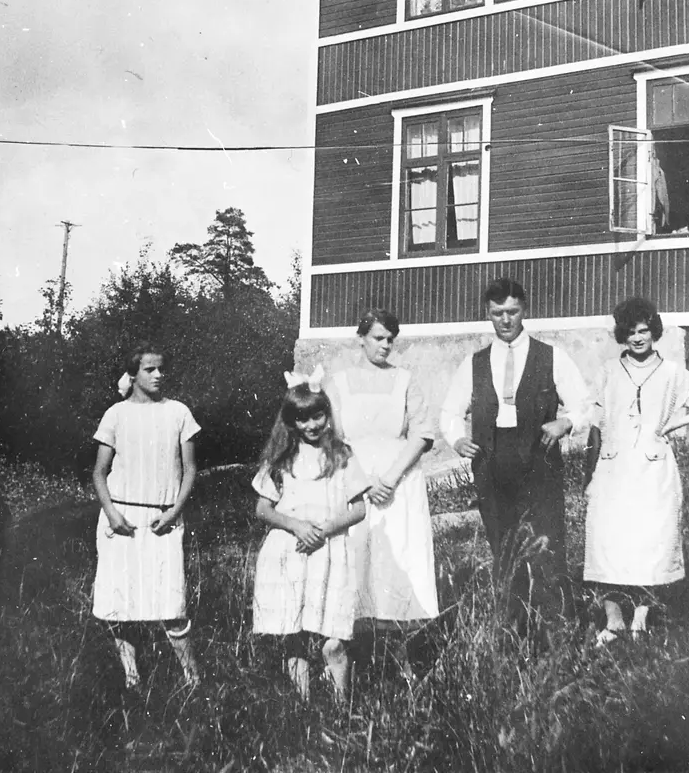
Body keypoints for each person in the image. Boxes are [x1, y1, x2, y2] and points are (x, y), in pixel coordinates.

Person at [440, 277, 591, 624]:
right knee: (504, 547)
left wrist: (565, 422)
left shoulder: (551, 357)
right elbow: (449, 411)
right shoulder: (474, 363)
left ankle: (556, 626)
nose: (506, 320)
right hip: (492, 464)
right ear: (487, 314)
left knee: (547, 544)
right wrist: (457, 439)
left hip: (540, 462)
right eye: (498, 313)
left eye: (512, 311)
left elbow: (584, 404)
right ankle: (514, 627)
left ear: (525, 310)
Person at [584, 297, 689, 646]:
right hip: (614, 468)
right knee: (606, 541)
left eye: (643, 331)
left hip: (653, 469)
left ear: (654, 331)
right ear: (622, 334)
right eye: (631, 332)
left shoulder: (671, 372)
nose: (637, 338)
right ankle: (614, 620)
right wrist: (589, 477)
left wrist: (674, 423)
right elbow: (596, 427)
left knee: (651, 542)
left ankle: (641, 618)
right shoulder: (609, 370)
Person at [324, 308, 439, 659]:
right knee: (357, 556)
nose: (386, 345)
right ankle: (353, 648)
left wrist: (389, 478)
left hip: (399, 484)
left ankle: (401, 655)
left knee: (397, 561)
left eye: (391, 339)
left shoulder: (405, 379)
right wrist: (363, 481)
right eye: (378, 338)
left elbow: (422, 434)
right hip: (354, 482)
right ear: (361, 339)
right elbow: (332, 437)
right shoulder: (338, 382)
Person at [252, 371, 369, 701]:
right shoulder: (281, 459)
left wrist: (324, 529)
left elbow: (359, 509)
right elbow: (263, 509)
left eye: (318, 416)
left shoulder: (342, 455)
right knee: (295, 631)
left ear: (327, 414)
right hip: (291, 550)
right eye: (302, 419)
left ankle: (341, 706)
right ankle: (303, 707)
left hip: (330, 548)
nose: (312, 425)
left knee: (333, 634)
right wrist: (297, 526)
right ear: (291, 421)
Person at [92, 345, 200, 692]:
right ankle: (132, 677)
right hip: (121, 520)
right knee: (119, 603)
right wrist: (112, 514)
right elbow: (99, 473)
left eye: (161, 369)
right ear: (133, 374)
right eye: (150, 369)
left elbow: (190, 470)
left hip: (163, 520)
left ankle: (193, 680)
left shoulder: (178, 412)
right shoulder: (116, 414)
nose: (158, 375)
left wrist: (174, 512)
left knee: (171, 603)